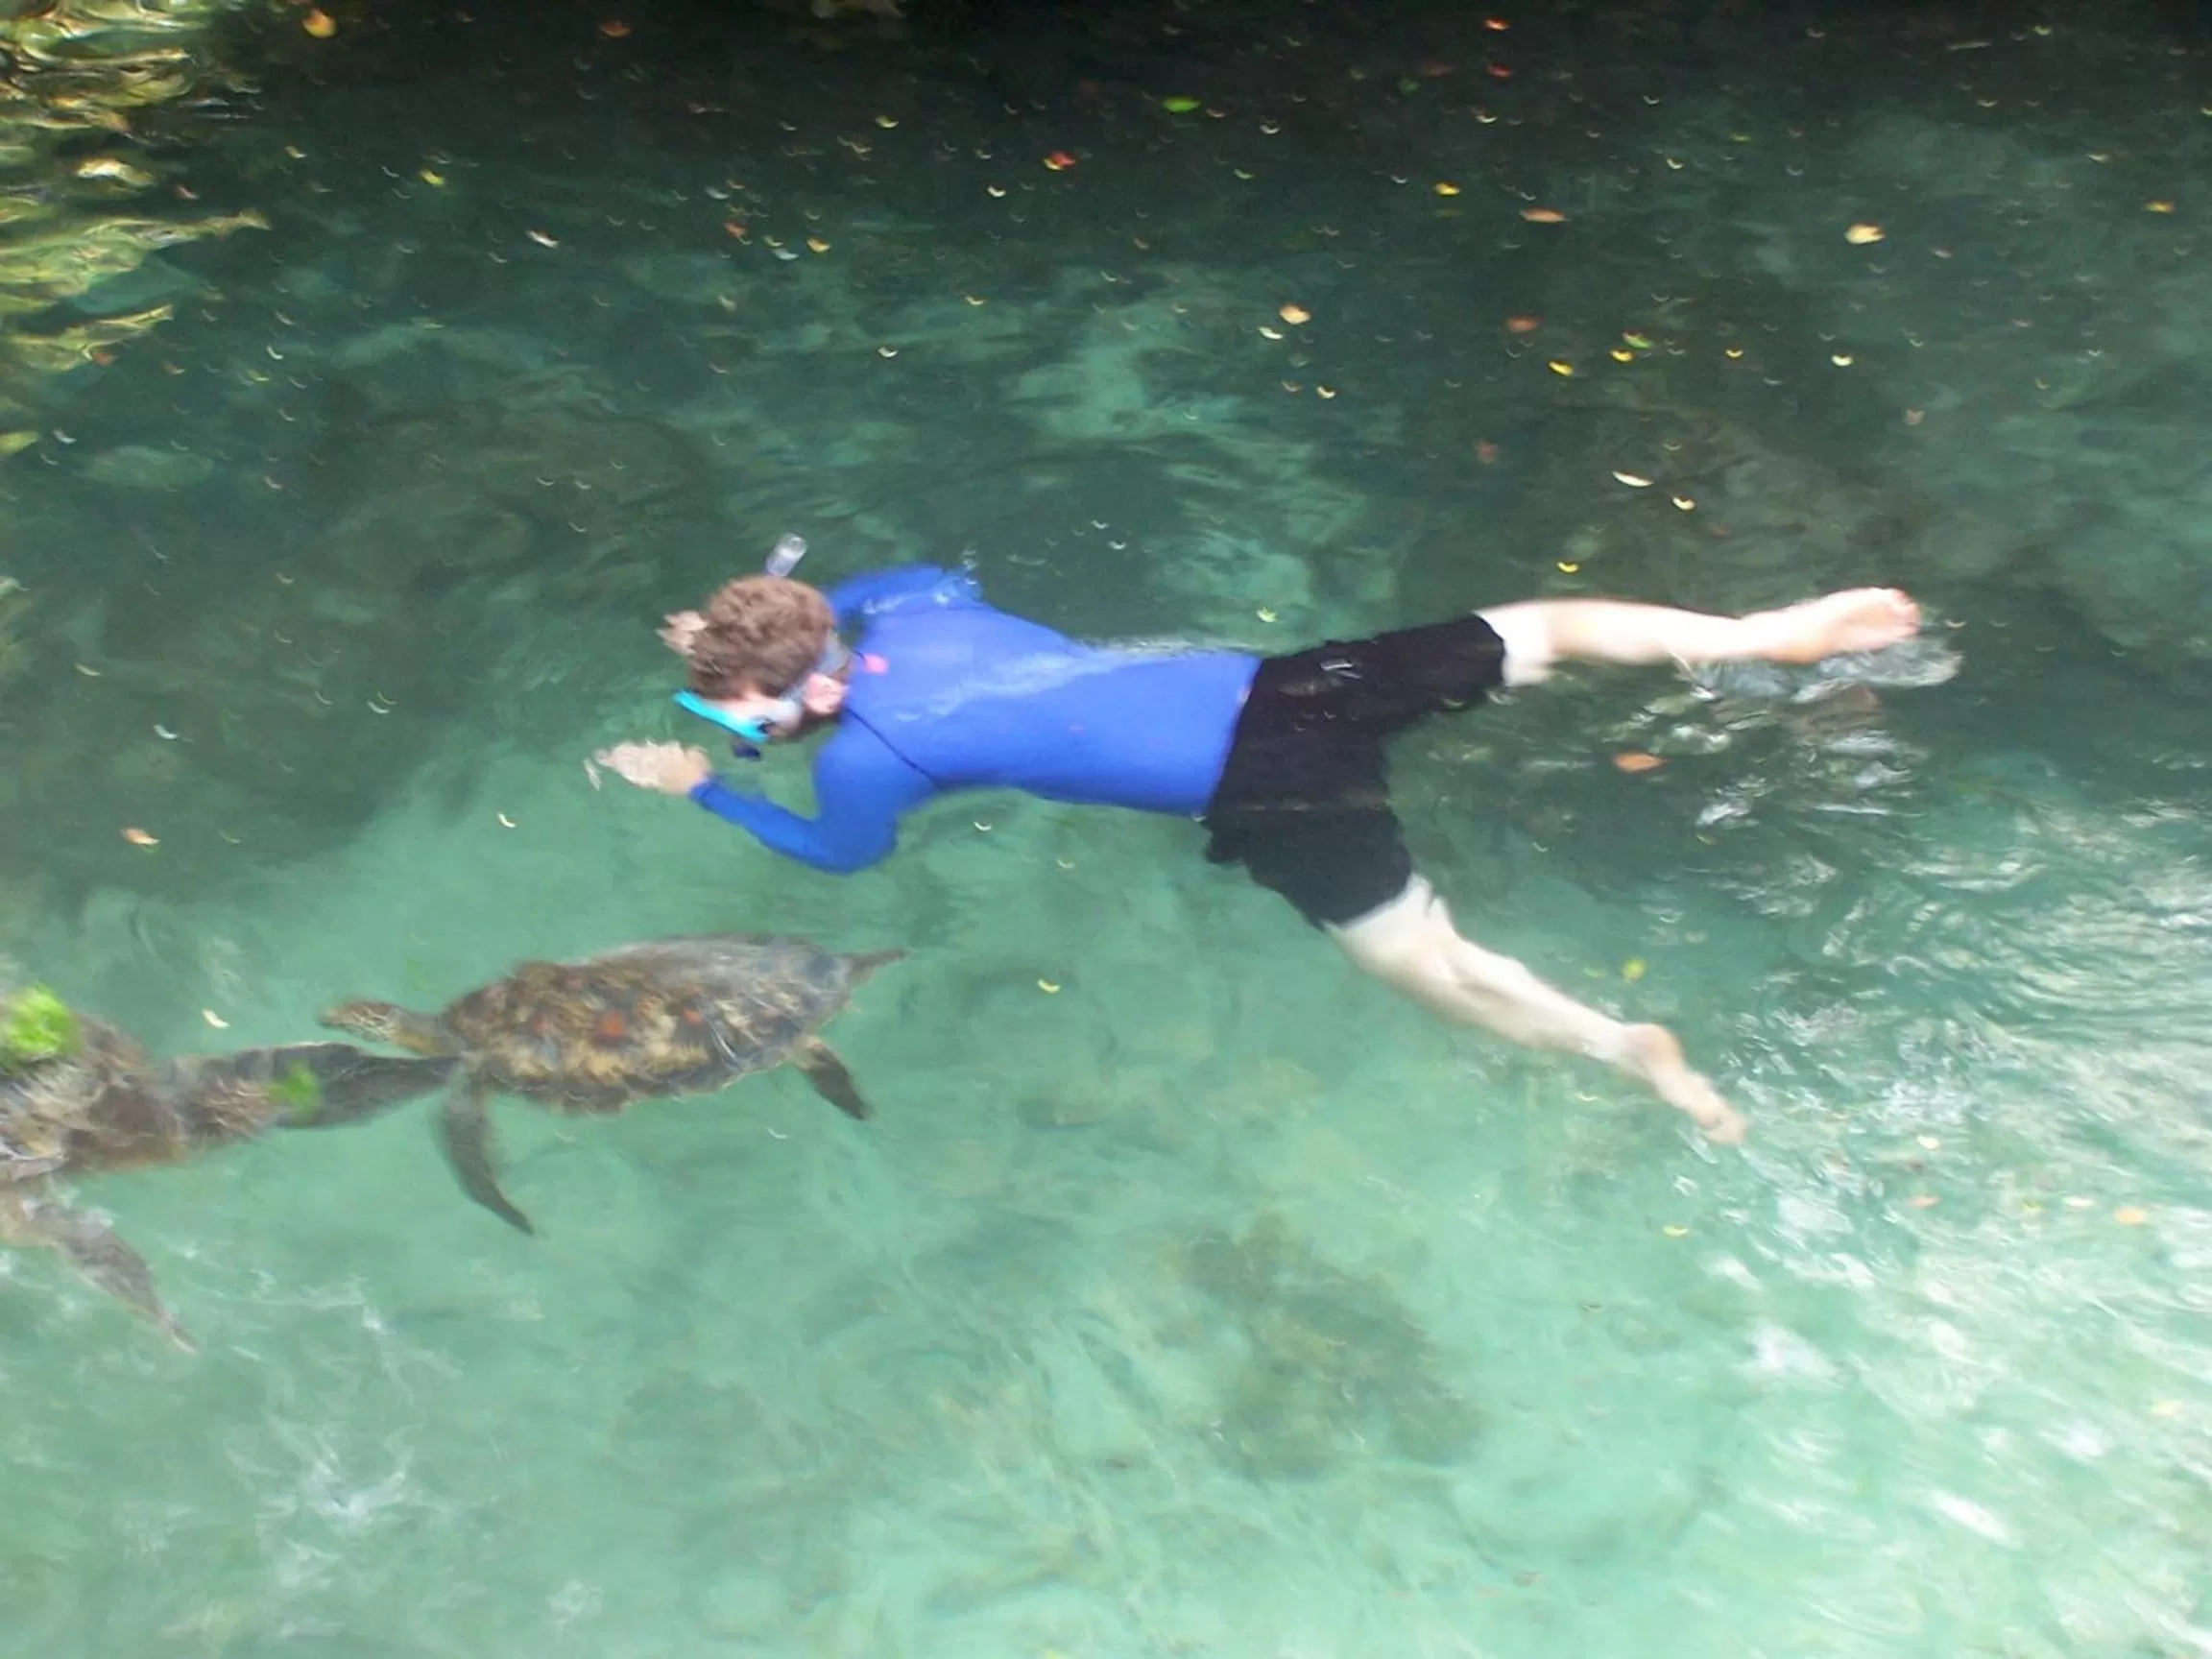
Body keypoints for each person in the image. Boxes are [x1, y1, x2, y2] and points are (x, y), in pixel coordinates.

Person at [595, 557, 1924, 1143]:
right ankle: (1754, 634)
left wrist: (706, 787)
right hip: (1291, 687)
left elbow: (840, 864)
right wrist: (740, 637)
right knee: (1551, 627)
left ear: (812, 698)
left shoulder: (879, 757)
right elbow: (901, 580)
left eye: (744, 704)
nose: (734, 721)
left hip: (1266, 787)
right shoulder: (914, 611)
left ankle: (1622, 1050)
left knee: (1425, 963)